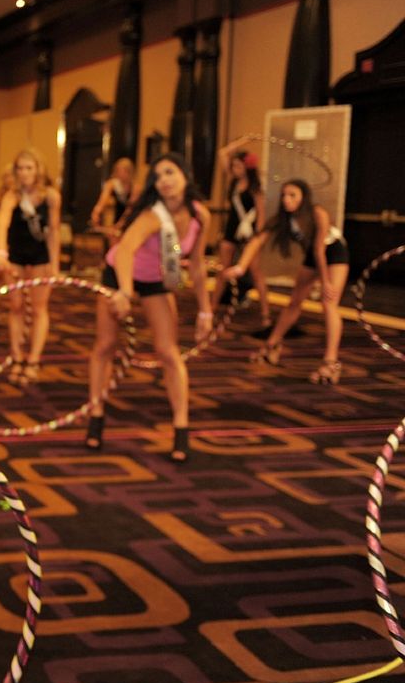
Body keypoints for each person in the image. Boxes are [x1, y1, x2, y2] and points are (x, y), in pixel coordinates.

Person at [85, 152, 211, 463]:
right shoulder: (151, 216)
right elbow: (125, 250)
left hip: (156, 281)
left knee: (168, 352)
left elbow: (196, 265)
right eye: (158, 175)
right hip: (119, 275)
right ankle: (96, 415)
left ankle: (181, 426)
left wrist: (206, 310)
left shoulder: (200, 215)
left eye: (171, 172)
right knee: (106, 345)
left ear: (185, 175)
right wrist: (125, 292)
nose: (165, 180)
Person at [223, 178, 349, 385]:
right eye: (284, 195)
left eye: (292, 195)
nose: (286, 200)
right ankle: (271, 346)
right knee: (294, 303)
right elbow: (257, 240)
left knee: (329, 304)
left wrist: (325, 282)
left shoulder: (318, 213)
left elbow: (320, 249)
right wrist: (240, 267)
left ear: (303, 197)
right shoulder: (284, 219)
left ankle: (331, 362)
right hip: (313, 257)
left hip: (334, 253)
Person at [0, 148, 62, 384]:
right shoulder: (11, 196)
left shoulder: (51, 196)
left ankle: (33, 359)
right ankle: (17, 357)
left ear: (38, 169)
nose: (24, 173)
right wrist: (1, 253)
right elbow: (1, 224)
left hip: (41, 256)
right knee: (16, 306)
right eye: (20, 168)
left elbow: (53, 231)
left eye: (29, 167)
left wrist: (55, 263)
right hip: (16, 257)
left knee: (40, 308)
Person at [211, 137, 271, 327]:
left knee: (255, 271)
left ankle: (265, 312)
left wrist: (258, 238)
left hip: (250, 233)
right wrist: (243, 142)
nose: (235, 169)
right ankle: (211, 308)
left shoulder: (255, 189)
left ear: (247, 167)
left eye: (238, 165)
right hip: (231, 230)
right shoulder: (233, 182)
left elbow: (261, 216)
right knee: (223, 268)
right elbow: (222, 153)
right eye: (234, 165)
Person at [89, 157, 135, 236]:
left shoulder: (135, 187)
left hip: (128, 223)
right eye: (119, 170)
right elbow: (101, 203)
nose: (120, 173)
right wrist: (95, 214)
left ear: (129, 172)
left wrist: (120, 224)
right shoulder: (111, 185)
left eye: (123, 171)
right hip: (112, 222)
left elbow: (130, 209)